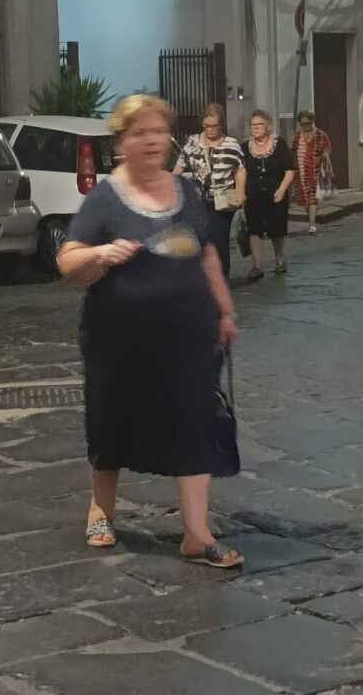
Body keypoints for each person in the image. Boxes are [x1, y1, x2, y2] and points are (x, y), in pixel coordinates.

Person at [57, 95, 242, 569]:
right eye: (140, 132)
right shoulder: (103, 198)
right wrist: (101, 254)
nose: (152, 140)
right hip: (118, 338)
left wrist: (225, 311)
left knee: (194, 420)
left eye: (159, 131)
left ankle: (197, 536)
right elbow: (68, 259)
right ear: (122, 142)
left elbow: (207, 255)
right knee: (111, 417)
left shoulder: (186, 192)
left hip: (188, 334)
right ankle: (102, 510)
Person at [174, 103, 246, 279]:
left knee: (220, 239)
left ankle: (222, 278)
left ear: (221, 124)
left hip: (223, 201)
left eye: (214, 126)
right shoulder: (192, 143)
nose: (210, 130)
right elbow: (179, 167)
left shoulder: (231, 144)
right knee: (203, 238)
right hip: (199, 200)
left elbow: (240, 169)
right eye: (206, 126)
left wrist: (240, 191)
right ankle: (206, 276)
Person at [242, 110, 295, 279]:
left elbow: (290, 169)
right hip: (253, 195)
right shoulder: (244, 147)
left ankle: (280, 260)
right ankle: (257, 266)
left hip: (276, 193)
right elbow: (240, 171)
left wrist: (282, 189)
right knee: (254, 230)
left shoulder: (279, 145)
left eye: (259, 124)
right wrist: (241, 192)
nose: (256, 128)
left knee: (276, 229)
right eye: (253, 125)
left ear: (268, 126)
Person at [293, 111, 332, 236]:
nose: (306, 126)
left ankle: (312, 224)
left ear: (312, 121)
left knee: (312, 197)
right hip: (300, 171)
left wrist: (322, 156)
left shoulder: (320, 135)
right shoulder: (298, 136)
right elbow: (292, 150)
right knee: (305, 199)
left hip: (315, 170)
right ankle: (310, 218)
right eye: (303, 124)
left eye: (308, 123)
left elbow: (328, 149)